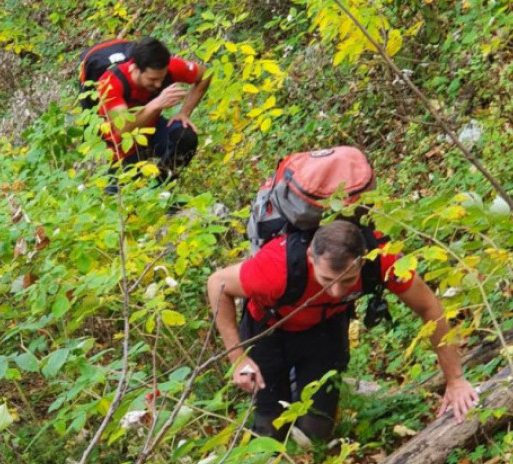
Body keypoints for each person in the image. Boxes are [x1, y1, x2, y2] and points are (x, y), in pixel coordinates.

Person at [206, 220, 479, 443]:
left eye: (348, 280)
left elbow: (429, 307)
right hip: (268, 331)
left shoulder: (379, 260)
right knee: (269, 425)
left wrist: (455, 380)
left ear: (362, 261)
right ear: (311, 256)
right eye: (326, 280)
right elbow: (217, 283)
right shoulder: (276, 267)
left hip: (324, 329)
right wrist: (238, 358)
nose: (336, 291)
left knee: (317, 426)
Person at [95, 36, 210, 189]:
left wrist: (185, 112)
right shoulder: (110, 82)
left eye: (162, 79)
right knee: (125, 196)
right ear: (135, 68)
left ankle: (163, 188)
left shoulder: (169, 68)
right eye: (152, 79)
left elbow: (205, 75)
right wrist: (157, 103)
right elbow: (123, 128)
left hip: (152, 130)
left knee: (185, 137)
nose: (158, 84)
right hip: (121, 145)